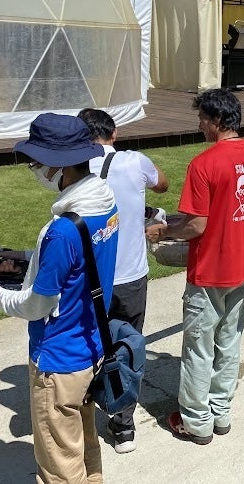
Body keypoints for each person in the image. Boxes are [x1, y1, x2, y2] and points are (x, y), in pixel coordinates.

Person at [0, 113, 118, 484]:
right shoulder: (105, 205)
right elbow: (83, 263)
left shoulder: (61, 231)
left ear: (57, 165)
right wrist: (31, 264)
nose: (35, 170)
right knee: (84, 442)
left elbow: (38, 305)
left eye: (35, 163)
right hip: (91, 345)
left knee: (59, 463)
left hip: (58, 358)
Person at [144, 89, 244, 444]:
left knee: (199, 348)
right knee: (229, 343)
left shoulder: (203, 163)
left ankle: (197, 422)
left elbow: (196, 225)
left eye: (201, 118)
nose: (199, 125)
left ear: (216, 120)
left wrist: (163, 230)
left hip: (210, 271)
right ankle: (221, 412)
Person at [76, 108, 168, 455]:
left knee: (87, 345)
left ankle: (81, 414)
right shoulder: (134, 161)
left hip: (88, 277)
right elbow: (162, 184)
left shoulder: (73, 169)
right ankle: (123, 424)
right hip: (130, 277)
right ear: (113, 134)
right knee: (128, 347)